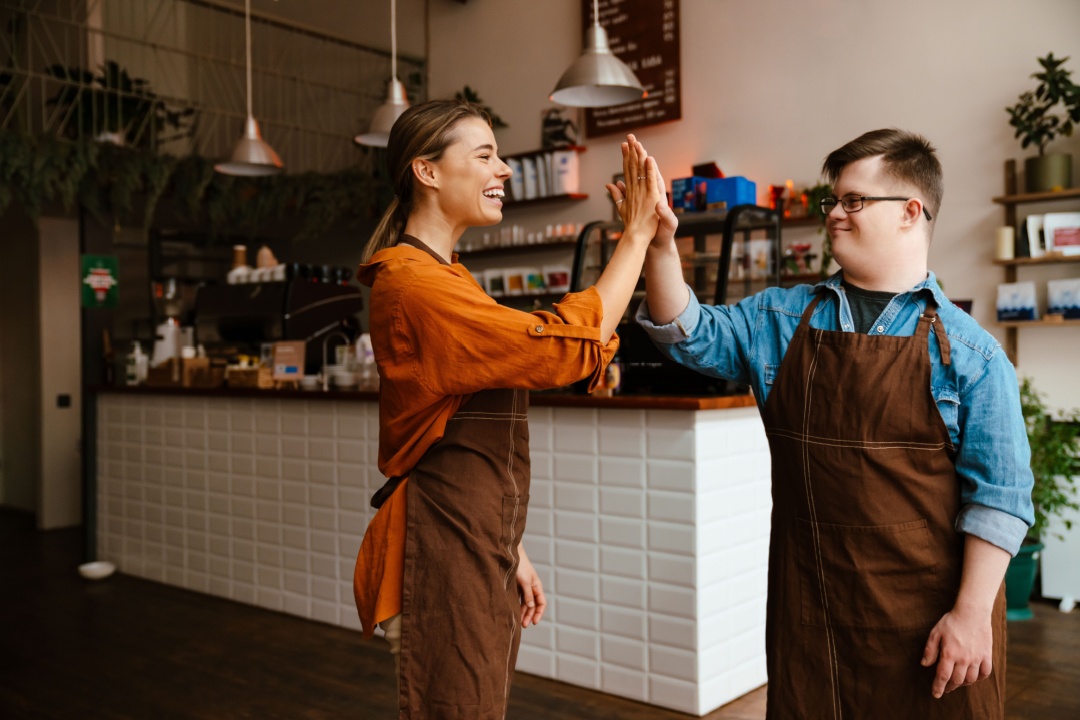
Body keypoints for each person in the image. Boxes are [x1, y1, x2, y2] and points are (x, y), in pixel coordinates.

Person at [632, 129, 1034, 719]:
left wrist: (972, 617)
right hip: (811, 614)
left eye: (854, 201)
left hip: (931, 625)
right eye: (833, 202)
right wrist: (660, 246)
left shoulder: (971, 354)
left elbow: (1000, 499)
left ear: (910, 212)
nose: (835, 215)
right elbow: (687, 334)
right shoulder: (780, 317)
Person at [351, 98, 666, 718]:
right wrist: (635, 237)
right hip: (440, 545)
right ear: (428, 172)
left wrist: (510, 548)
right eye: (486, 155)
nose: (506, 170)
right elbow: (558, 354)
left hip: (471, 536)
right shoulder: (414, 283)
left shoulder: (451, 277)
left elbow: (456, 426)